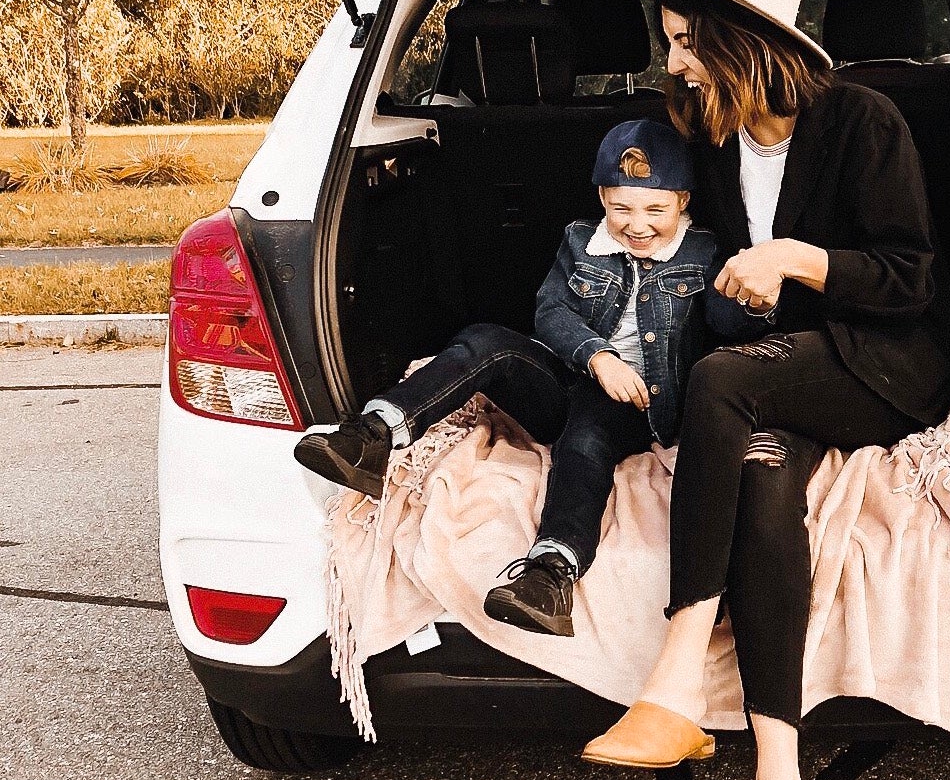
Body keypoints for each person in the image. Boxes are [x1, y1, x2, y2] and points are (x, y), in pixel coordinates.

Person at [580, 0, 950, 780]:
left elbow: (909, 279)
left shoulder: (861, 121)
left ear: (735, 35)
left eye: (683, 43)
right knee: (759, 482)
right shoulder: (698, 135)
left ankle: (672, 680)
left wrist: (793, 259)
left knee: (725, 384)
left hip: (878, 357)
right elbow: (704, 278)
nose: (674, 64)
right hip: (774, 363)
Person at [294, 117, 764, 636]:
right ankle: (375, 435)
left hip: (639, 407)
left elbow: (726, 323)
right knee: (485, 341)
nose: (637, 224)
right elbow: (551, 312)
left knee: (585, 437)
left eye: (655, 209)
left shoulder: (702, 254)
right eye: (621, 207)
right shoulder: (582, 242)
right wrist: (597, 356)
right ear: (602, 197)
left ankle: (550, 573)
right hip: (572, 380)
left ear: (683, 202)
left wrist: (754, 299)